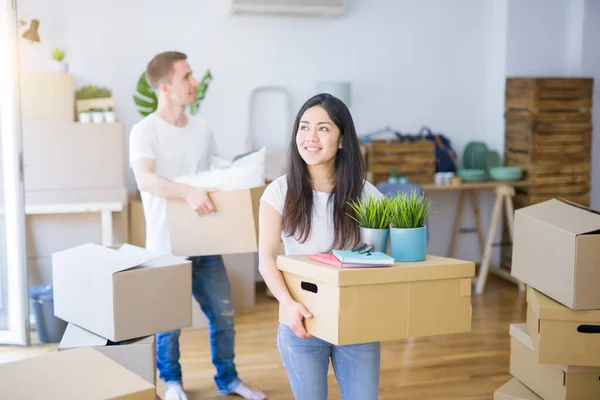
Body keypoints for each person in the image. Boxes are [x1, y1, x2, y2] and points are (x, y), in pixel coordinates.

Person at [129, 51, 266, 400]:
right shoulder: (144, 131)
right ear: (165, 87)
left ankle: (228, 379)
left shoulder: (202, 129)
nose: (194, 83)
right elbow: (146, 179)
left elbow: (214, 168)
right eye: (186, 77)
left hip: (204, 243)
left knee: (223, 316)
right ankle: (172, 383)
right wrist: (187, 192)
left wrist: (247, 175)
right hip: (165, 247)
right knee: (168, 325)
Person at [258, 93, 383, 399]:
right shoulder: (279, 193)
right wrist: (289, 306)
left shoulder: (369, 196)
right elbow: (266, 259)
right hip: (300, 319)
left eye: (323, 129)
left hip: (356, 320)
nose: (311, 137)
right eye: (304, 127)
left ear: (342, 140)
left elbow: (377, 260)